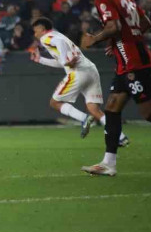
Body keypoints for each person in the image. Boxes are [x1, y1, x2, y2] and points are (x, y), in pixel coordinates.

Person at [80, 0, 151, 176]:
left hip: (134, 62)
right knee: (113, 107)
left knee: (150, 112)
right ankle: (109, 163)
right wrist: (119, 42)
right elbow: (145, 22)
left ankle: (109, 162)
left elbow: (114, 26)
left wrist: (95, 39)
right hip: (127, 61)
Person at [30, 17, 130, 145]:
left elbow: (62, 52)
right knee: (94, 109)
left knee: (54, 102)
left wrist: (67, 59)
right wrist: (41, 60)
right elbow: (62, 63)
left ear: (42, 29)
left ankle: (84, 118)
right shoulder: (58, 35)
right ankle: (121, 138)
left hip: (78, 73)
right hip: (91, 70)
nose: (35, 34)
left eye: (35, 30)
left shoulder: (46, 38)